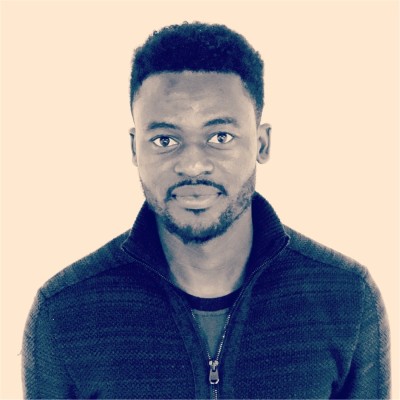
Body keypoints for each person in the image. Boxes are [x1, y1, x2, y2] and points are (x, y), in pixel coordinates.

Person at [22, 22, 390, 399]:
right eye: (165, 140)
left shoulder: (345, 295)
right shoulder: (65, 311)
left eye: (220, 137)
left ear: (261, 144)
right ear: (135, 149)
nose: (193, 165)